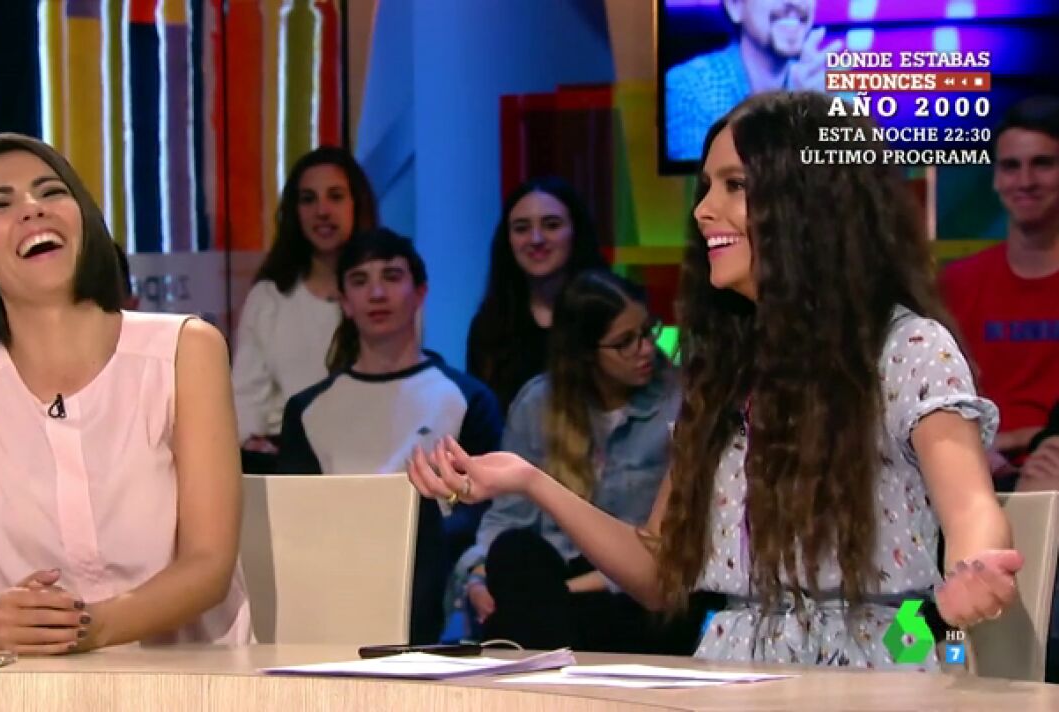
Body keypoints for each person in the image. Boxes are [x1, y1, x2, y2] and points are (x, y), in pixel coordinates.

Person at [410, 91, 1021, 668]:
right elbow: (659, 573)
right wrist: (529, 479)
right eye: (706, 187)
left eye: (735, 186)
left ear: (810, 203)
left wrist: (969, 577)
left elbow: (972, 507)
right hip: (733, 664)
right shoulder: (725, 372)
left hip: (885, 651)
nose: (704, 211)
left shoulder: (907, 348)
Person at [0, 133, 252, 654]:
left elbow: (208, 565)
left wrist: (92, 627)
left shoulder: (186, 351)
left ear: (85, 226)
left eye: (51, 192)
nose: (33, 209)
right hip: (37, 685)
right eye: (0, 204)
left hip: (197, 680)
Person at [449, 269, 705, 653]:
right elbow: (507, 519)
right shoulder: (538, 404)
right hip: (554, 578)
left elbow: (670, 549)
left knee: (530, 615)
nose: (646, 349)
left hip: (632, 589)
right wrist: (476, 577)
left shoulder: (680, 404)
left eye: (648, 331)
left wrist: (559, 592)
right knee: (513, 552)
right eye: (625, 342)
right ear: (585, 354)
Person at [277, 227, 503, 644]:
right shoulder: (307, 411)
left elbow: (483, 513)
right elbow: (295, 521)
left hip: (432, 587)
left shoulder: (468, 400)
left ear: (420, 293)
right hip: (332, 588)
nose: (377, 293)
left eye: (392, 277)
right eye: (360, 281)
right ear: (345, 302)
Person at [232, 146, 379, 474]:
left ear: (357, 204)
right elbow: (246, 395)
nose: (322, 211)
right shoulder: (269, 297)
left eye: (335, 197)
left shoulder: (384, 294)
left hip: (370, 458)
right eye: (308, 199)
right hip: (287, 464)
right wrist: (249, 441)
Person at [940, 96, 1059, 487]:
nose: (1025, 181)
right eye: (1010, 166)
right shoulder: (956, 283)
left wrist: (1036, 441)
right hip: (974, 471)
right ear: (995, 179)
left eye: (1042, 164)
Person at [466, 177, 607, 415]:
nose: (536, 239)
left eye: (551, 225)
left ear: (576, 232)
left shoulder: (610, 314)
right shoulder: (488, 326)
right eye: (522, 228)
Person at [664, 0, 842, 161]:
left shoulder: (831, 88)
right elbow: (707, 183)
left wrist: (818, 117)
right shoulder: (688, 89)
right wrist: (791, 115)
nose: (795, 2)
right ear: (735, 6)